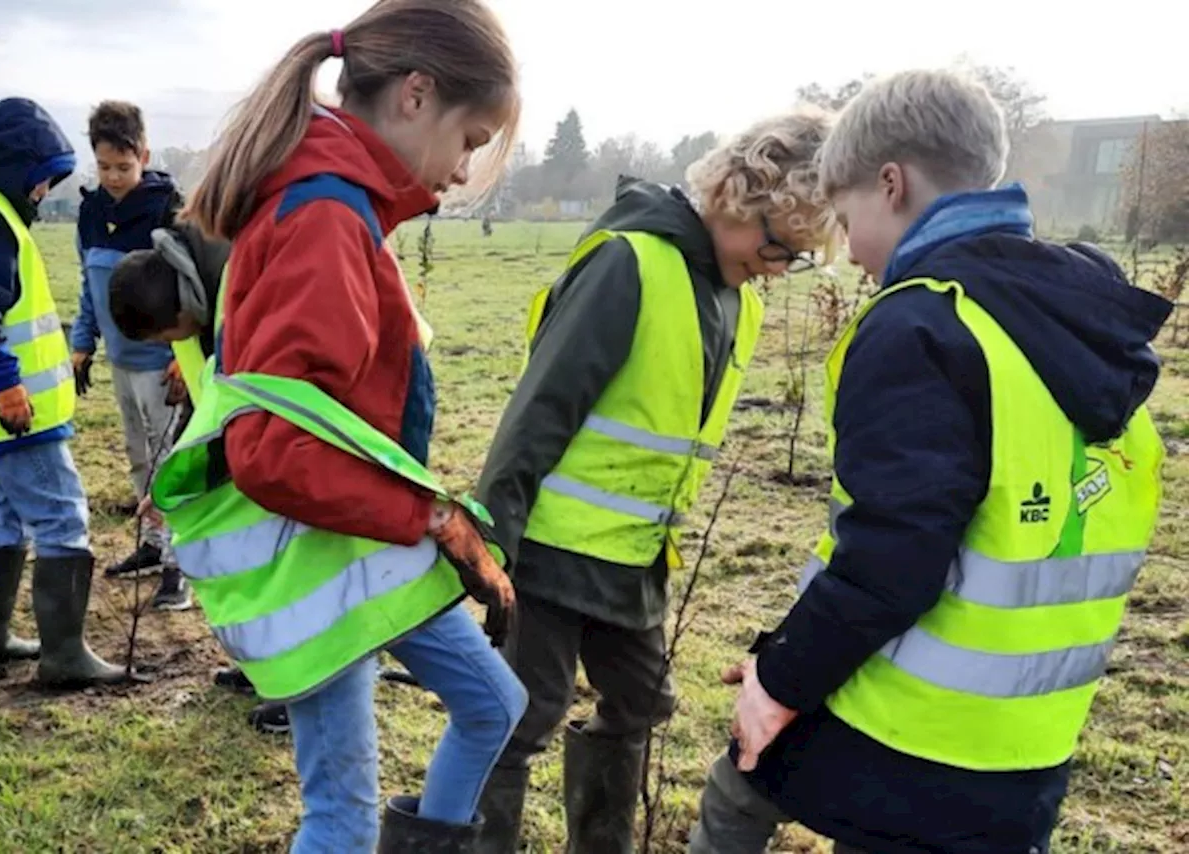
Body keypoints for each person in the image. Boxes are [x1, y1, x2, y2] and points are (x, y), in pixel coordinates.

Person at [690, 70, 1170, 854]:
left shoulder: (924, 321)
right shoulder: (1081, 312)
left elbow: (891, 558)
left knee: (739, 782)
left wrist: (778, 684)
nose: (853, 257)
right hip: (1028, 752)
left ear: (892, 184)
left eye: (848, 222)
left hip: (912, 746)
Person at [148, 2, 526, 850]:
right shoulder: (324, 217)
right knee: (341, 816)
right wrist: (429, 515)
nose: (465, 171)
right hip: (317, 555)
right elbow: (272, 449)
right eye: (471, 140)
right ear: (417, 96)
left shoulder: (342, 208)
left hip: (355, 539)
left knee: (496, 702)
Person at [473, 113, 837, 853]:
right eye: (777, 245)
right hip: (546, 550)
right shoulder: (627, 264)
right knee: (519, 716)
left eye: (794, 258)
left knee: (641, 701)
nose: (776, 266)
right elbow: (536, 416)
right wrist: (490, 548)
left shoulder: (738, 298)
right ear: (736, 195)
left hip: (634, 558)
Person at [0, 98, 125, 687]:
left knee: (7, 518)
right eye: (42, 178)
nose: (43, 191)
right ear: (16, 165)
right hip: (12, 413)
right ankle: (65, 657)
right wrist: (7, 385)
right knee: (62, 516)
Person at [110, 220, 298, 731]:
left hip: (308, 428)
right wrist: (170, 485)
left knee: (289, 560)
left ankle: (298, 686)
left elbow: (245, 401)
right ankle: (265, 668)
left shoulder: (237, 290)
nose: (172, 345)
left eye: (165, 336)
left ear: (178, 312)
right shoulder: (196, 288)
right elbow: (207, 407)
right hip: (262, 430)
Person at [68, 101, 186, 594]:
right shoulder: (91, 213)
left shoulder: (168, 209)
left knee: (169, 462)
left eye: (124, 166)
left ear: (144, 154)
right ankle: (155, 544)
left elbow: (194, 287)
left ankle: (181, 565)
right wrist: (81, 344)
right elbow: (89, 285)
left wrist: (185, 355)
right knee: (138, 455)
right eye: (104, 167)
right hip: (120, 361)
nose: (114, 177)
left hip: (162, 362)